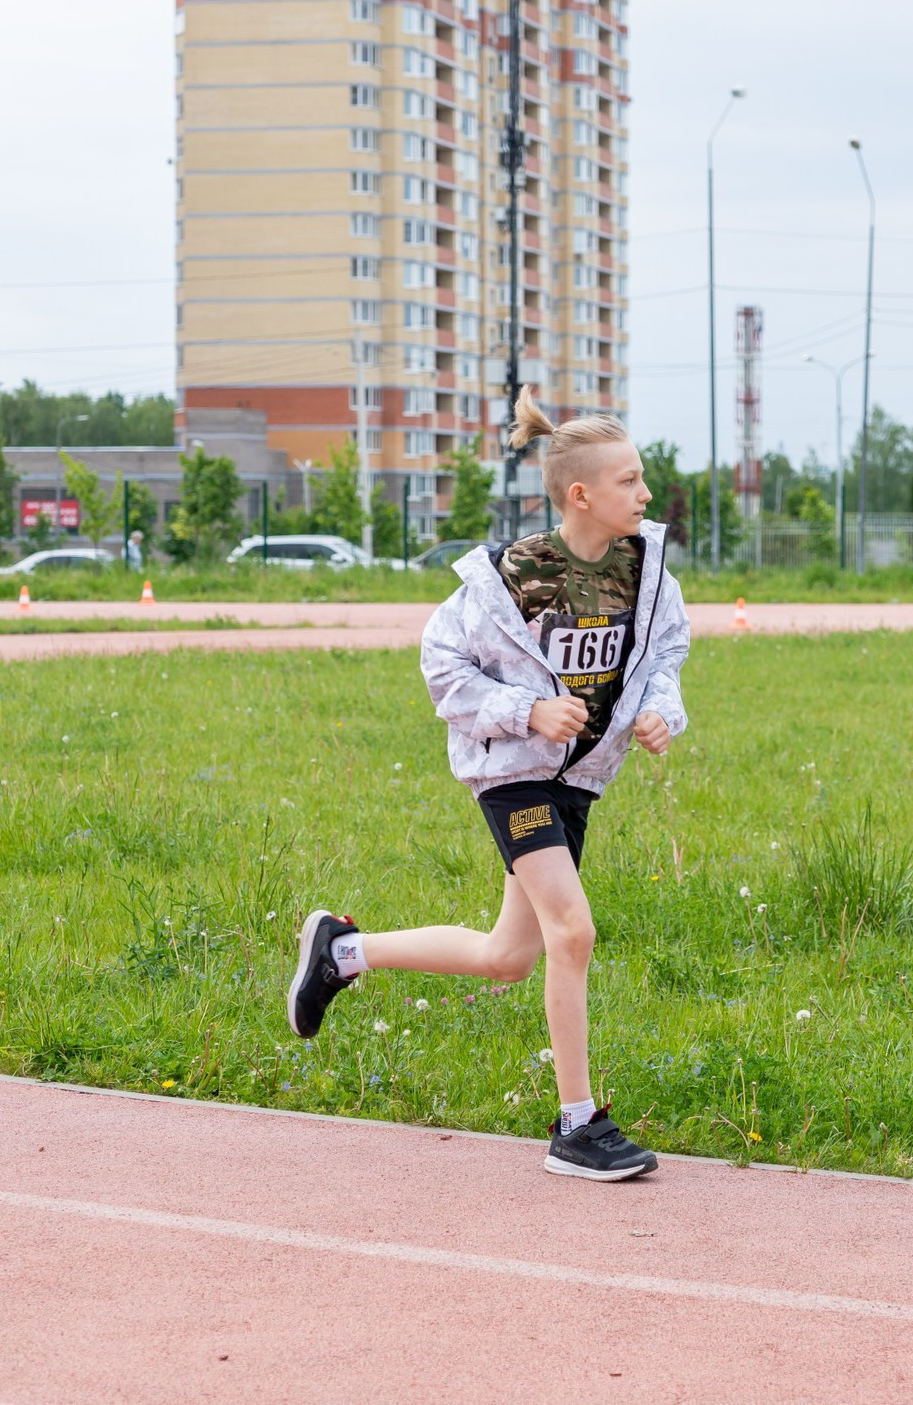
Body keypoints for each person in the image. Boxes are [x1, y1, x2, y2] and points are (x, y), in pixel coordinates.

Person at [285, 388, 690, 1180]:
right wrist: (526, 710)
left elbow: (662, 661)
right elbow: (442, 664)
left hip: (578, 782)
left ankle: (343, 951)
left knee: (509, 956)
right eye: (631, 481)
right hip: (511, 774)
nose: (645, 495)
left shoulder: (649, 577)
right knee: (573, 931)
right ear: (582, 494)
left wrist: (659, 714)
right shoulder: (511, 578)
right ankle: (577, 1124)